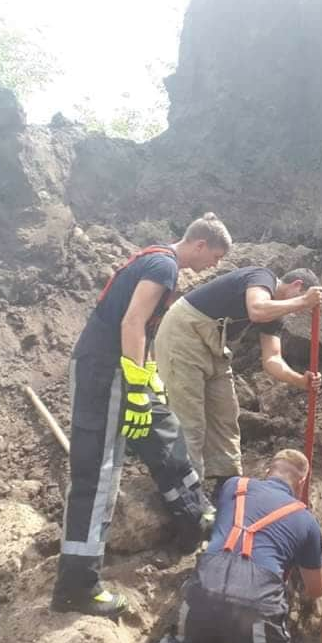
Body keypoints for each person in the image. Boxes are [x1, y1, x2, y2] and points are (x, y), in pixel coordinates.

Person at [52, 213, 232, 618]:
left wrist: (148, 378)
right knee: (98, 476)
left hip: (119, 368)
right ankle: (76, 586)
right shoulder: (164, 265)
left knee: (162, 426)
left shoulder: (159, 263)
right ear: (199, 244)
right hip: (104, 372)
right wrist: (134, 385)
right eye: (215, 257)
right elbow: (131, 320)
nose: (214, 266)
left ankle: (193, 515)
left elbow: (143, 331)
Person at [149, 449, 322, 643]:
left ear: (269, 470)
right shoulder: (305, 519)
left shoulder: (234, 486)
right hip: (255, 601)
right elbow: (314, 589)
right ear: (301, 483)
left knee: (186, 642)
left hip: (204, 588)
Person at [154, 266, 322, 492]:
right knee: (190, 418)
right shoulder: (263, 277)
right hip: (183, 333)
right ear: (297, 286)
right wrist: (304, 302)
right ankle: (186, 493)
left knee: (226, 414)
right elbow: (256, 309)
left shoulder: (275, 314)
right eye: (301, 300)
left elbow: (272, 359)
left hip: (213, 346)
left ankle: (227, 485)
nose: (297, 312)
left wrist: (300, 380)